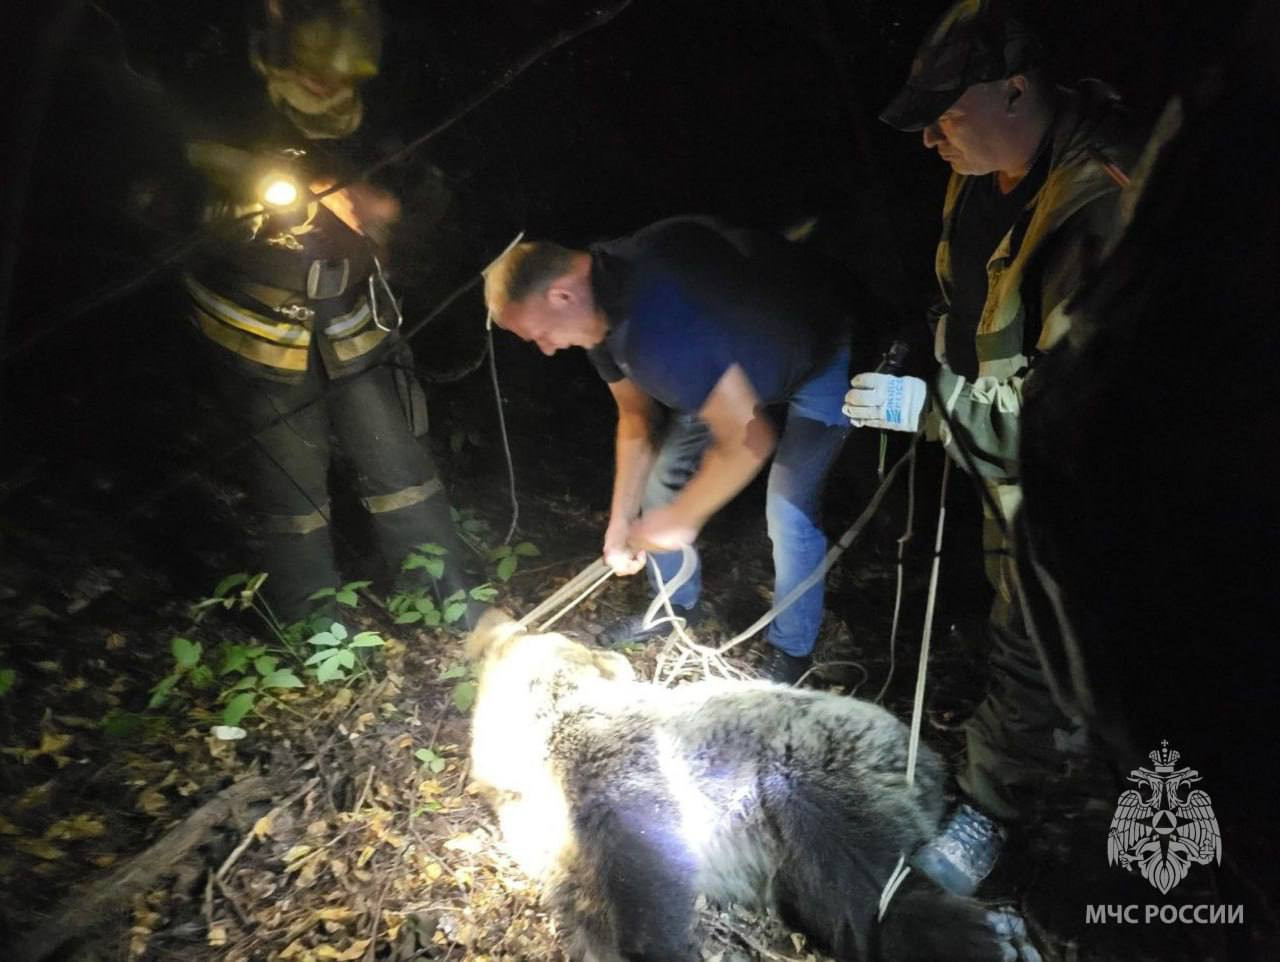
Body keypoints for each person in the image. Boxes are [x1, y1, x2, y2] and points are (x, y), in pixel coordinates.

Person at [843, 0, 1141, 896]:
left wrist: (927, 410)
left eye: (944, 114)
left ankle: (992, 811)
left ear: (1017, 88)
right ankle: (1066, 739)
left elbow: (1073, 424)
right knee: (1032, 629)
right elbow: (970, 292)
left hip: (1065, 481)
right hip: (991, 451)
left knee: (1031, 634)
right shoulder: (986, 167)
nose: (930, 139)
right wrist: (930, 349)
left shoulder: (1108, 204)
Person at [180, 0, 478, 622]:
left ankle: (440, 595)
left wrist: (392, 206)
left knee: (394, 451)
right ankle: (312, 620)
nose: (328, 85)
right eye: (318, 68)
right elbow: (173, 175)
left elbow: (418, 175)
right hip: (255, 319)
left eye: (347, 74)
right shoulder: (216, 79)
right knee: (289, 469)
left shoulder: (383, 99)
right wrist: (278, 195)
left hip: (353, 303)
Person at [484, 218, 870, 683]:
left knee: (788, 510)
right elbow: (636, 419)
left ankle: (792, 650)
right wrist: (620, 522)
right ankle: (673, 607)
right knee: (661, 480)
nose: (546, 350)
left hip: (815, 353)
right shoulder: (598, 314)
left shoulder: (658, 316)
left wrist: (683, 517)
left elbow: (749, 438)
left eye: (539, 334)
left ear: (561, 295)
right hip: (724, 371)